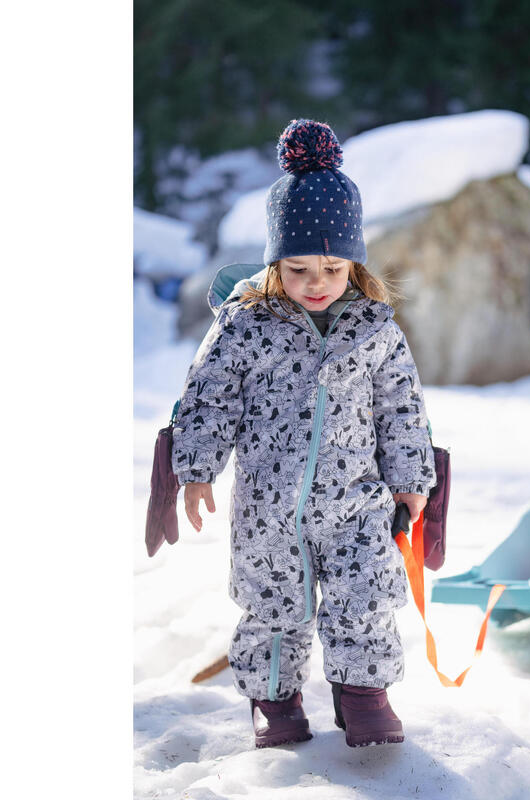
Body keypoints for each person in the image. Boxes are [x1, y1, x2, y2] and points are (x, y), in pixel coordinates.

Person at [171, 118, 436, 749]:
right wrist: (197, 469)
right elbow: (208, 397)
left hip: (355, 497)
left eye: (332, 269)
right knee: (272, 604)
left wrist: (411, 481)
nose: (316, 284)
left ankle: (364, 694)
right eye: (297, 270)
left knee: (365, 594)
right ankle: (275, 699)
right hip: (269, 503)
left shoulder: (374, 329)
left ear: (354, 263)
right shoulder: (246, 325)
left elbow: (402, 408)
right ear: (272, 264)